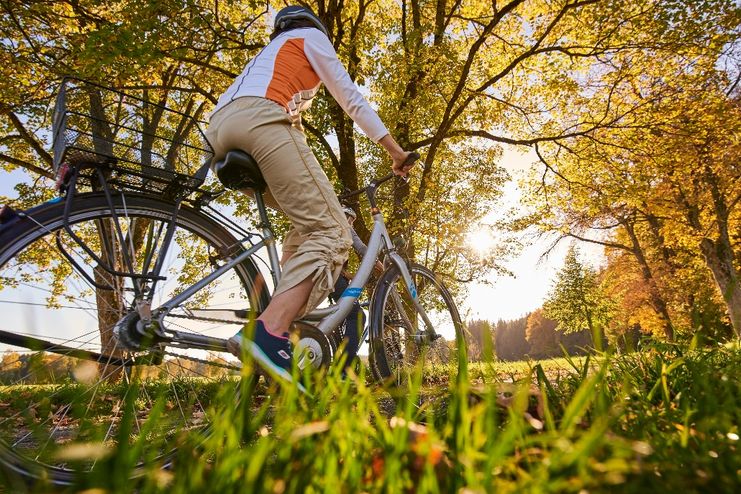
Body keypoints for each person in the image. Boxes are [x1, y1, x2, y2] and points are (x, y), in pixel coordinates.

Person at [205, 5, 415, 379]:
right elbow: (351, 99)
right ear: (313, 26)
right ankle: (270, 331)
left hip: (219, 130)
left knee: (308, 227)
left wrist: (328, 200)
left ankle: (290, 326)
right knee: (332, 232)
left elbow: (296, 146)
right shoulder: (309, 38)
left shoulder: (267, 61)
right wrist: (395, 152)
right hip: (259, 119)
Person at [329, 206, 384, 373]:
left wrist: (347, 273)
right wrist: (376, 261)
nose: (351, 224)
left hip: (323, 275)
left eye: (353, 221)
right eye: (350, 219)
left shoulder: (328, 226)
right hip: (333, 278)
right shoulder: (344, 226)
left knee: (342, 315)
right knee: (357, 316)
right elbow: (361, 247)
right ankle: (344, 369)